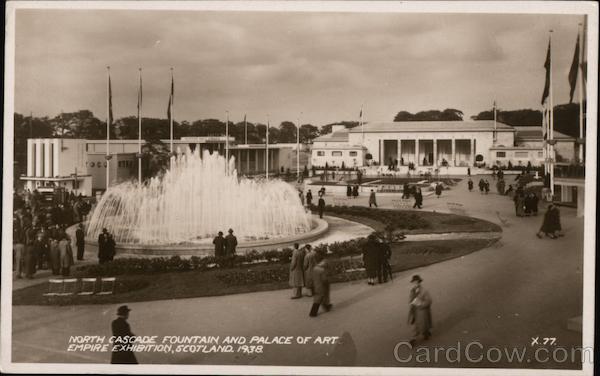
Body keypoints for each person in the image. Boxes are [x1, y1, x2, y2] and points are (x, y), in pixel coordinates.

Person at [407, 274, 432, 345]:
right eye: (413, 282)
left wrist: (420, 303)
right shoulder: (412, 291)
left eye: (416, 282)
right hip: (414, 311)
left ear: (419, 282)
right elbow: (410, 299)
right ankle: (413, 338)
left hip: (422, 311)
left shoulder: (424, 291)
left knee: (423, 324)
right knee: (415, 324)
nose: (415, 284)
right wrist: (411, 302)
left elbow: (429, 301)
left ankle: (425, 333)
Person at [309, 251, 332, 317]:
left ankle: (327, 306)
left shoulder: (315, 268)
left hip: (316, 284)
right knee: (320, 298)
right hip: (322, 285)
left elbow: (311, 277)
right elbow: (324, 279)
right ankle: (313, 312)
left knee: (319, 297)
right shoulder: (322, 270)